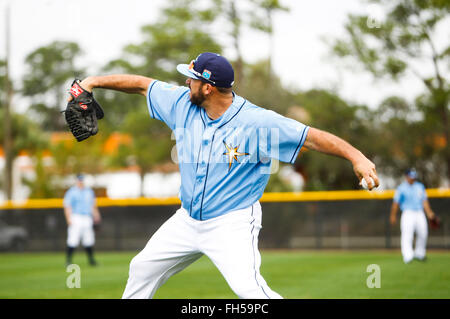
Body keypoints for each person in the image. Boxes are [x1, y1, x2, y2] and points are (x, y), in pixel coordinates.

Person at [69, 52, 379, 299]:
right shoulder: (181, 103)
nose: (186, 83)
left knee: (249, 291)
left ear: (208, 88)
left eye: (192, 79)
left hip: (231, 222)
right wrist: (93, 82)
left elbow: (311, 137)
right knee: (141, 269)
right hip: (187, 220)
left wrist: (357, 157)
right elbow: (141, 84)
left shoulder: (258, 122)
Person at [390, 169, 436, 264]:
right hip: (407, 213)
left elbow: (424, 201)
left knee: (423, 233)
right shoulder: (401, 188)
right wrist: (393, 215)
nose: (413, 178)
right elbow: (396, 203)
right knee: (407, 234)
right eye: (411, 176)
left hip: (419, 212)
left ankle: (420, 254)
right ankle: (408, 255)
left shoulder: (420, 187)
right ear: (406, 177)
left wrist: (429, 213)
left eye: (414, 176)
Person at [63, 174, 101, 266]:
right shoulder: (71, 192)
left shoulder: (89, 191)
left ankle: (91, 260)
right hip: (76, 217)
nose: (81, 182)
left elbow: (93, 205)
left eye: (82, 180)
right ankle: (68, 260)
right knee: (73, 239)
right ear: (76, 181)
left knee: (89, 239)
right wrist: (68, 218)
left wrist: (96, 216)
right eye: (79, 180)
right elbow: (67, 206)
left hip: (87, 217)